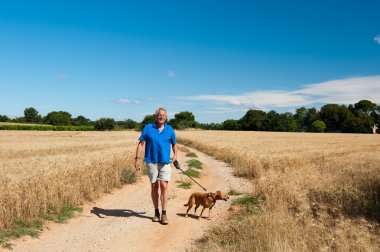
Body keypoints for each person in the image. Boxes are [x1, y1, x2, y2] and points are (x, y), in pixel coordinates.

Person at [134, 107, 178, 225]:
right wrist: (137, 158)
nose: (161, 117)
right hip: (151, 161)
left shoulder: (169, 129)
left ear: (166, 117)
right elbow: (141, 143)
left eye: (163, 115)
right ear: (155, 116)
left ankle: (164, 213)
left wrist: (175, 156)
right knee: (154, 186)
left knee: (164, 186)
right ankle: (156, 212)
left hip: (164, 162)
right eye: (159, 115)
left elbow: (174, 144)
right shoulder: (148, 128)